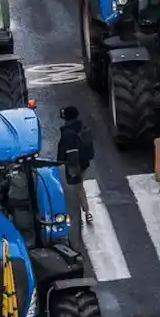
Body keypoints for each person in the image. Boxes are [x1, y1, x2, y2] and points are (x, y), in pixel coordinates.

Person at [57, 106, 95, 248]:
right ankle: (87, 212)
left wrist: (60, 162)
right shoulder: (82, 127)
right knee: (80, 188)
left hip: (73, 165)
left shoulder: (68, 134)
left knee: (76, 191)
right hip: (84, 163)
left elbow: (61, 154)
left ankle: (84, 214)